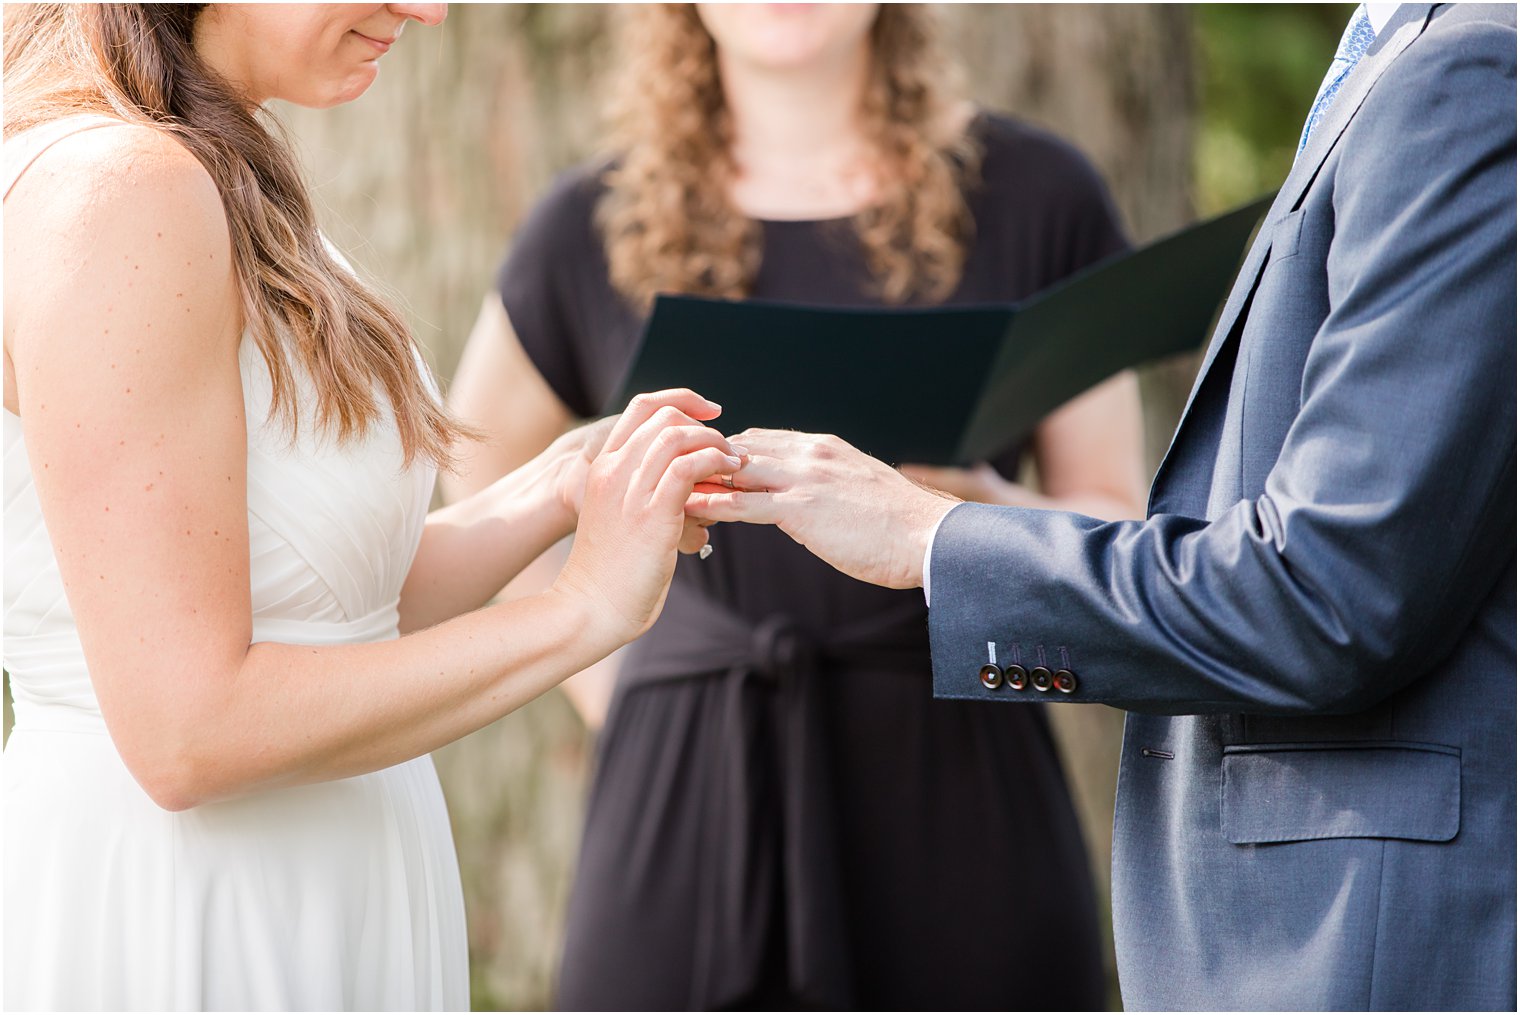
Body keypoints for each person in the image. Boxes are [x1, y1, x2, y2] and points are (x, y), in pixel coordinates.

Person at [691, 2, 1517, 1009]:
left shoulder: (1468, 75)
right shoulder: (1407, 56)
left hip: (1366, 934)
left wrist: (932, 538)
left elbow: (1329, 592)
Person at [2, 4, 740, 1010]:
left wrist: (558, 488)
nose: (426, 9)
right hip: (197, 904)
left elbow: (328, 610)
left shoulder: (208, 160)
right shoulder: (121, 188)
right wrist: (582, 610)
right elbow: (188, 730)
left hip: (325, 876)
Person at [446, 4, 1146, 1009]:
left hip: (957, 774)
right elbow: (479, 471)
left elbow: (1109, 516)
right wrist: (616, 672)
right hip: (685, 780)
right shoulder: (586, 220)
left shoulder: (1037, 196)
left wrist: (975, 514)